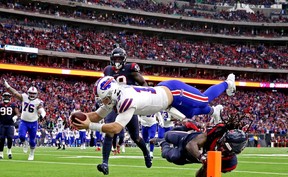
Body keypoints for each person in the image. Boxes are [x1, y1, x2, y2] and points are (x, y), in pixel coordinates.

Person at [72, 73, 236, 136]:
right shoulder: (116, 96)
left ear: (112, 93)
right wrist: (78, 118)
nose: (104, 102)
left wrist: (89, 126)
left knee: (203, 99)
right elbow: (96, 115)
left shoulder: (126, 100)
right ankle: (215, 111)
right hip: (165, 100)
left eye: (105, 98)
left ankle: (227, 83)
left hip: (173, 91)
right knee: (192, 112)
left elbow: (115, 128)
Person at [94, 46, 152, 175]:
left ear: (124, 59)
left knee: (135, 137)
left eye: (119, 58)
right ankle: (105, 163)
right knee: (109, 131)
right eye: (115, 59)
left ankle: (146, 153)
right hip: (113, 105)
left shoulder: (130, 69)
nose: (117, 61)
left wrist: (143, 97)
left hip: (128, 104)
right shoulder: (108, 70)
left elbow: (143, 83)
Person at [151, 123, 248, 177]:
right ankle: (186, 127)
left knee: (171, 156)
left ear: (234, 150)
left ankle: (162, 142)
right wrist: (202, 157)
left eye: (226, 145)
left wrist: (207, 166)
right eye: (223, 140)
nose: (222, 144)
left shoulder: (229, 163)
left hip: (187, 156)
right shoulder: (218, 132)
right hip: (187, 139)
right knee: (167, 135)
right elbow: (191, 145)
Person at [3, 78, 46, 160]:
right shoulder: (24, 97)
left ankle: (32, 153)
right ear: (28, 93)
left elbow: (41, 109)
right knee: (21, 136)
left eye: (34, 94)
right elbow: (15, 93)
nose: (32, 95)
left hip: (33, 122)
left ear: (36, 94)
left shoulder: (38, 102)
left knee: (32, 140)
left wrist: (43, 114)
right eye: (31, 93)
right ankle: (24, 143)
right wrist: (8, 86)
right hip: (24, 121)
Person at [0, 92, 20, 159]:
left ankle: (9, 152)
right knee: (1, 139)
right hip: (1, 124)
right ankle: (1, 153)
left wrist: (16, 117)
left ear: (9, 97)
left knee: (10, 138)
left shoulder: (13, 105)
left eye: (7, 96)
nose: (6, 98)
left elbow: (18, 113)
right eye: (5, 96)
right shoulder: (0, 105)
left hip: (10, 124)